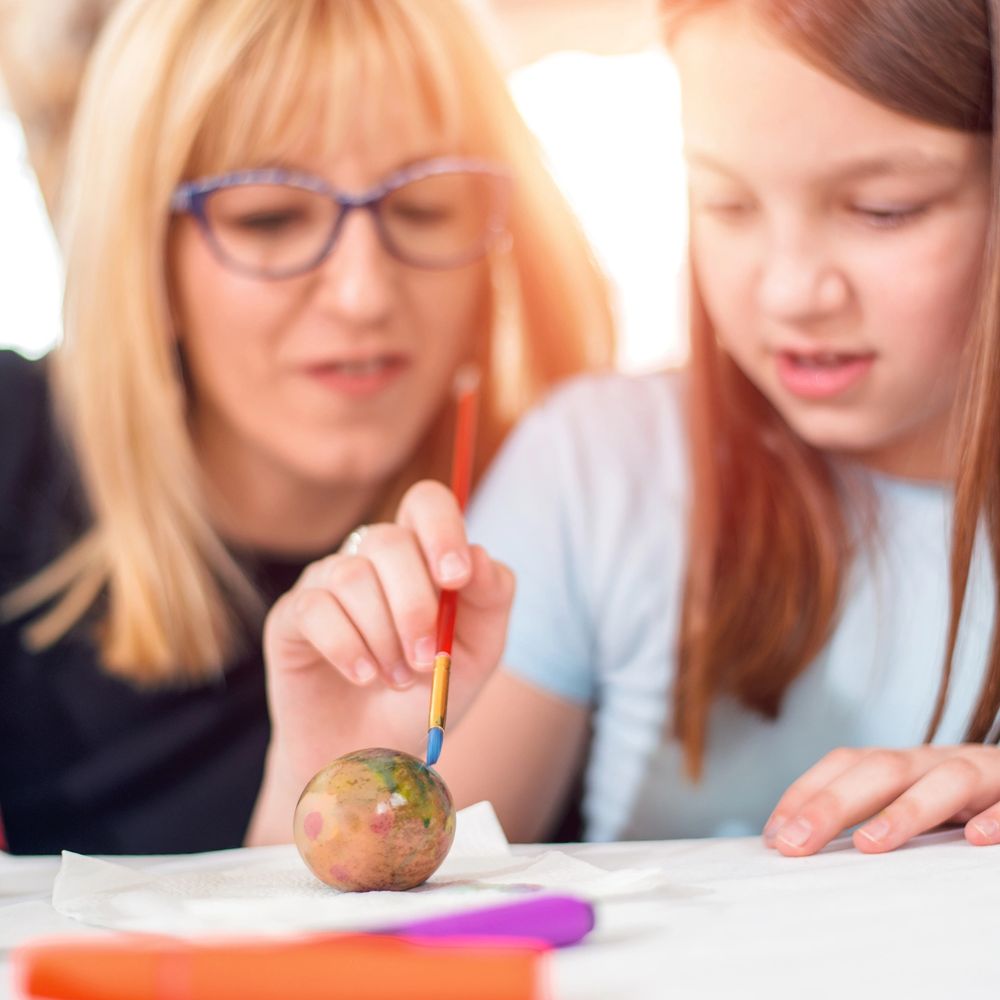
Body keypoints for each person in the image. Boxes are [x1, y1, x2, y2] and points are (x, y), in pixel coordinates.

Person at [258, 0, 1000, 855]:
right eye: (724, 203)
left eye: (884, 208)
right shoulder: (596, 468)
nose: (792, 290)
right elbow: (327, 957)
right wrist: (329, 778)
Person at [0, 0, 614, 855]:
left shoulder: (571, 499)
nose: (364, 292)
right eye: (270, 218)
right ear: (141, 257)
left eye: (425, 207)